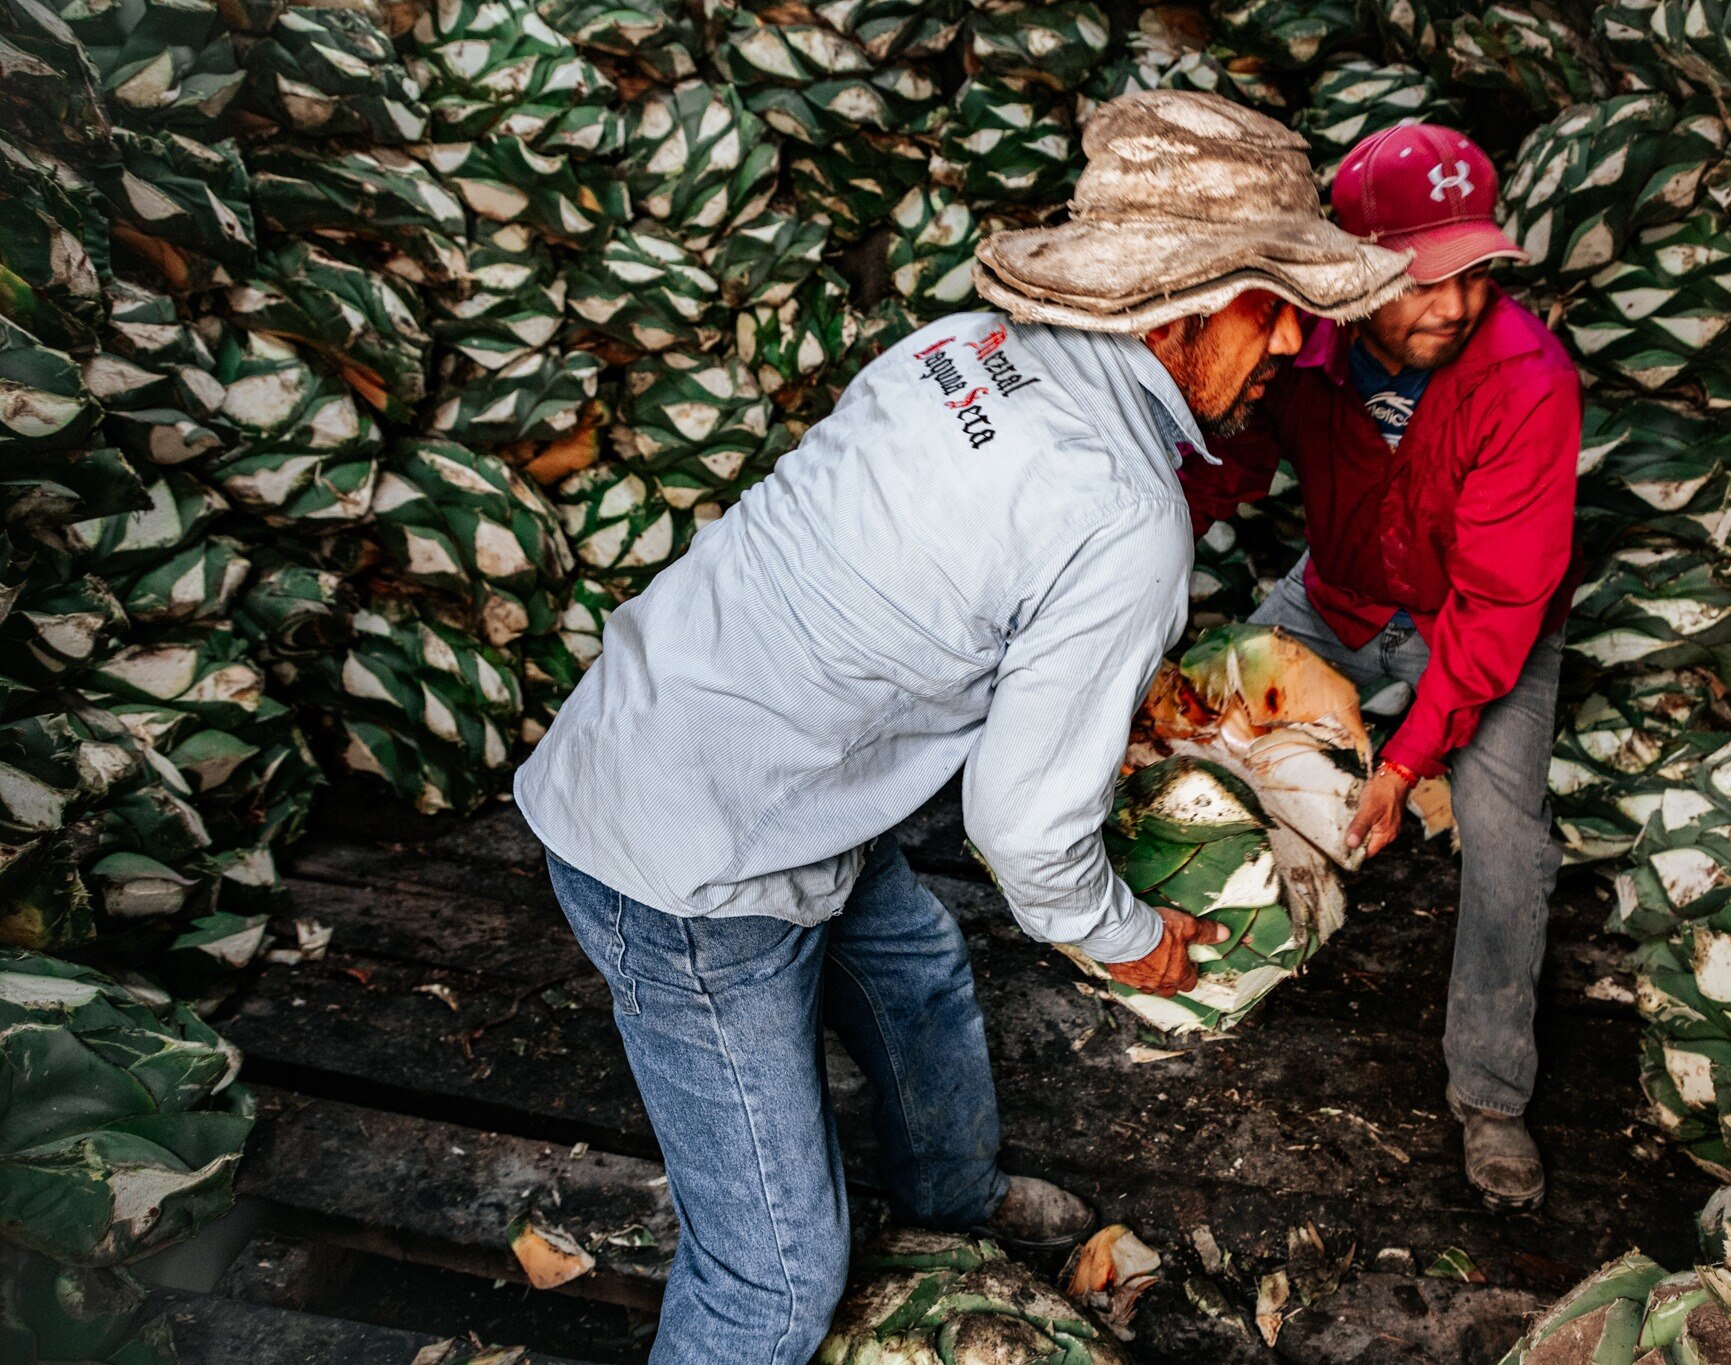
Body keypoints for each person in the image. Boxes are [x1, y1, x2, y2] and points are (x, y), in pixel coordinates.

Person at [514, 91, 1408, 1365]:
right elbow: (1023, 826)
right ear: (1197, 304)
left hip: (709, 743)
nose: (1288, 355)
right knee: (772, 1277)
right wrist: (1132, 939)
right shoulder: (1120, 515)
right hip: (693, 866)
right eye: (1278, 315)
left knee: (919, 972)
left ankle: (951, 1203)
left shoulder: (961, 349)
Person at [1178, 123, 1582, 1213]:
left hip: (1479, 621)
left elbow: (1499, 607)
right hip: (1337, 594)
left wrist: (1404, 766)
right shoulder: (1292, 348)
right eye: (1414, 281)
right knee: (1189, 725)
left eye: (1470, 275)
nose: (1448, 308)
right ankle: (1191, 957)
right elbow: (1231, 460)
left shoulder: (1525, 379)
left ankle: (1490, 1094)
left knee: (1505, 844)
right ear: (1352, 274)